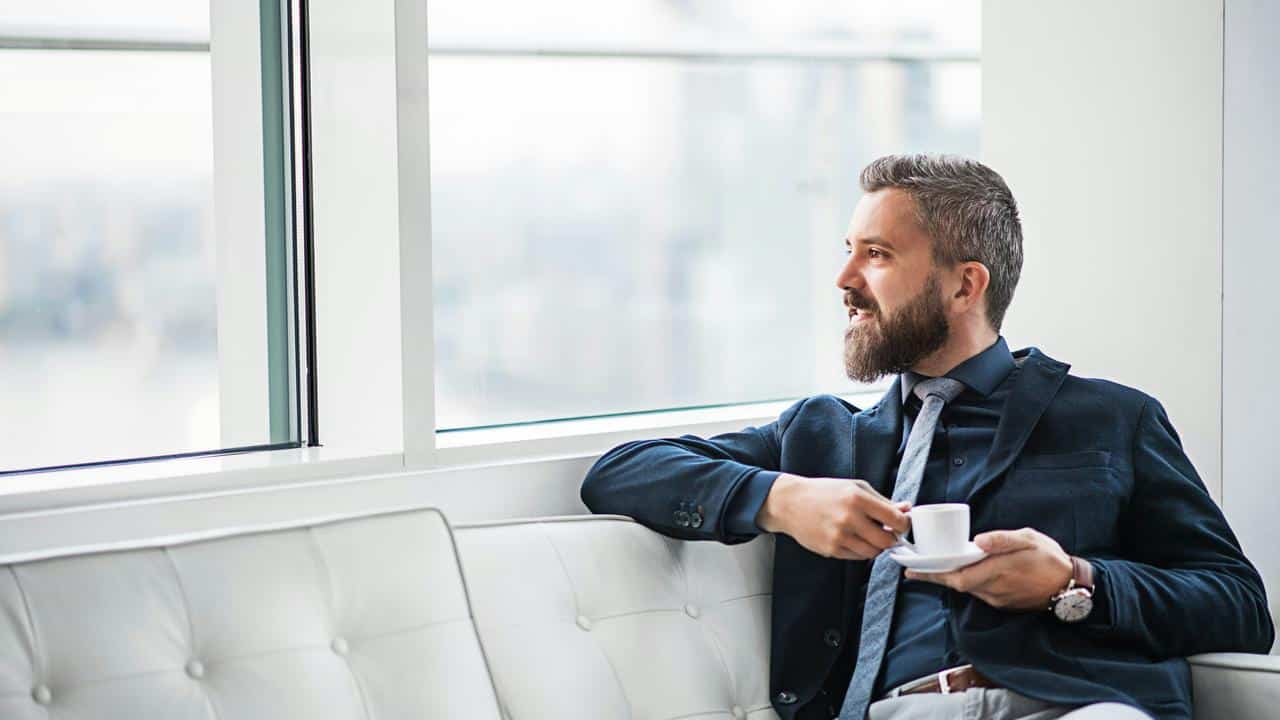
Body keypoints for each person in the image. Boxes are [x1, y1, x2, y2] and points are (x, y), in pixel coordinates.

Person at [579, 154, 1273, 720]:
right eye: (849, 252)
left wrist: (1074, 582)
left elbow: (1239, 609)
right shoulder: (821, 439)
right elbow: (619, 472)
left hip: (1076, 705)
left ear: (966, 286)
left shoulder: (1114, 419)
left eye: (876, 255)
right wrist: (783, 501)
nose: (844, 281)